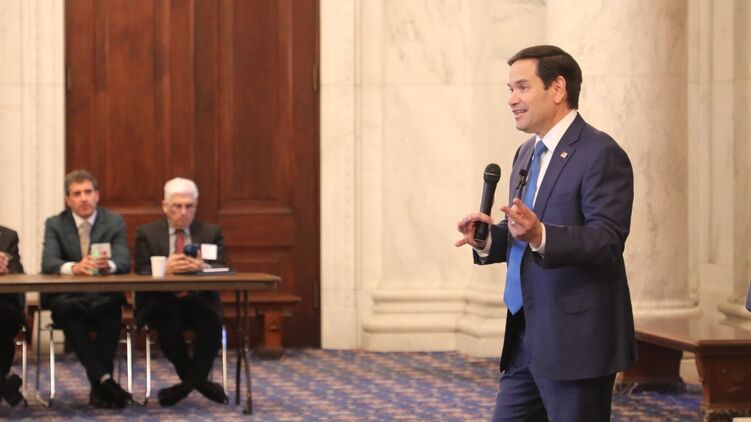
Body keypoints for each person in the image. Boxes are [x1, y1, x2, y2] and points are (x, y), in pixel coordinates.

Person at [455, 45, 635, 421]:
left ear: (557, 89)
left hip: (576, 341)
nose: (511, 99)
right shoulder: (526, 153)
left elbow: (607, 240)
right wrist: (487, 239)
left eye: (522, 87)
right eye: (510, 89)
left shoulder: (600, 153)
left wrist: (541, 235)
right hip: (524, 335)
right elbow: (522, 231)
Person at [41, 170, 132, 408]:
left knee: (111, 311)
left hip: (103, 296)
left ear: (97, 195)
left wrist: (108, 265)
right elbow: (49, 262)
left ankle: (101, 385)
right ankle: (105, 382)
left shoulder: (114, 222)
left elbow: (123, 261)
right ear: (68, 200)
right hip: (69, 298)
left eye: (88, 192)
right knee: (68, 312)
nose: (84, 198)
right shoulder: (55, 224)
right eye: (77, 194)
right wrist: (75, 267)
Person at [133, 177, 227, 406]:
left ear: (196, 206)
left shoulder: (211, 232)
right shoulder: (147, 233)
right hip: (162, 300)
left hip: (199, 299)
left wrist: (203, 267)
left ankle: (184, 388)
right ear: (165, 206)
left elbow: (221, 268)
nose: (184, 212)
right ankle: (201, 384)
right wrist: (166, 268)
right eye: (177, 206)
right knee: (168, 324)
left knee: (212, 326)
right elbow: (141, 271)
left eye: (189, 206)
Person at [0, 226, 26, 406]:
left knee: (5, 320)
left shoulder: (8, 236)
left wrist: (5, 267)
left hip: (5, 306)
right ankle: (4, 386)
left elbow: (18, 271)